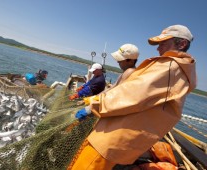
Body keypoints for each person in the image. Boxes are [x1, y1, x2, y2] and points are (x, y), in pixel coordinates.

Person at [68, 24, 196, 170]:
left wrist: (93, 105)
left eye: (163, 43)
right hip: (119, 140)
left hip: (111, 139)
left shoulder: (170, 67)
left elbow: (131, 95)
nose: (158, 48)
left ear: (182, 44)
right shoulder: (181, 72)